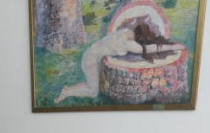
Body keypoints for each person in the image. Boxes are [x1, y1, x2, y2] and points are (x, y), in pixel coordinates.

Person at [54, 24, 185, 104]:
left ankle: (68, 90)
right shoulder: (130, 44)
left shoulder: (126, 31)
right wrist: (174, 47)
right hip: (90, 61)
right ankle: (67, 91)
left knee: (96, 85)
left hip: (91, 55)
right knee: (93, 92)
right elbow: (151, 48)